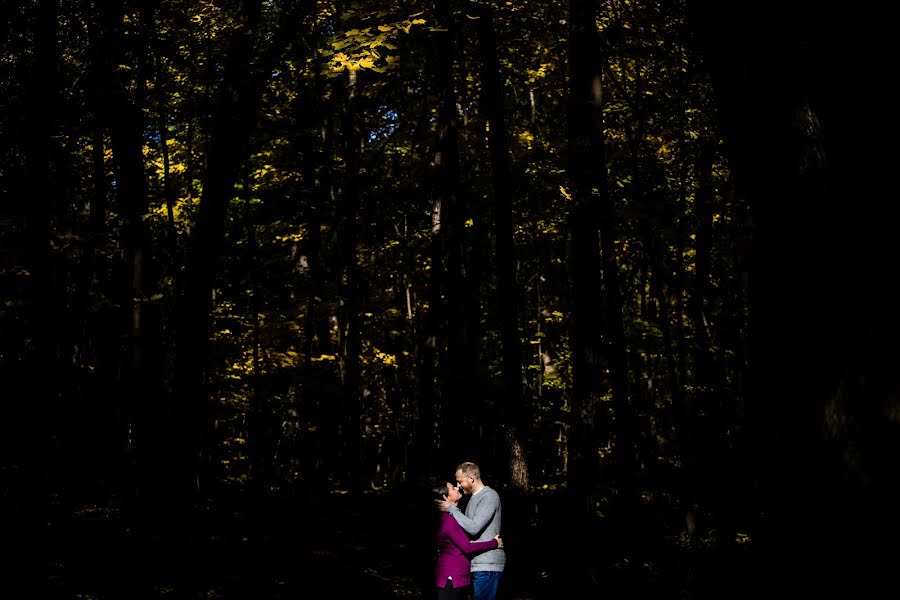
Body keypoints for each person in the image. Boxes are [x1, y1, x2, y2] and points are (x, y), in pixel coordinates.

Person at [437, 462, 505, 600]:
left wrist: (451, 508)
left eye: (460, 481)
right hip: (476, 566)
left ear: (472, 478)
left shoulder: (489, 496)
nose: (459, 485)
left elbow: (474, 528)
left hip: (488, 565)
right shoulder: (472, 499)